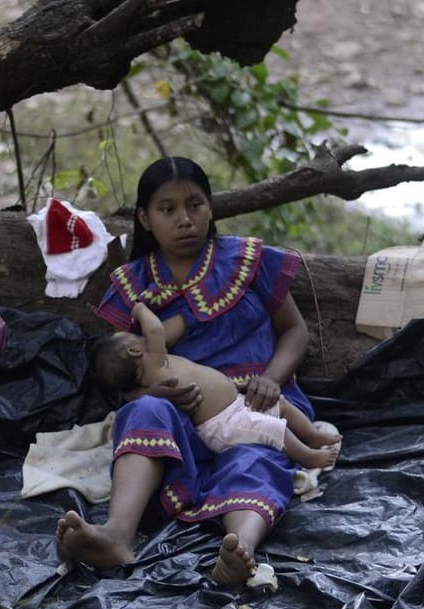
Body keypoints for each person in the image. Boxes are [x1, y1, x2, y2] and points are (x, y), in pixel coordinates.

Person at [56, 156, 320, 586]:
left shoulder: (246, 259)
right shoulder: (131, 286)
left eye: (195, 205)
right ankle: (117, 535)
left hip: (257, 402)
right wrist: (148, 397)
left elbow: (295, 331)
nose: (185, 220)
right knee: (140, 416)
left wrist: (272, 377)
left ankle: (240, 553)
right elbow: (119, 377)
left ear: (211, 207)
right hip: (182, 417)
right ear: (144, 218)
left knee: (254, 455)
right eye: (167, 209)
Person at [92, 301, 341, 470]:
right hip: (223, 425)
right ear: (135, 349)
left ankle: (311, 434)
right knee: (273, 428)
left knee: (280, 404)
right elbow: (156, 330)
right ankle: (309, 458)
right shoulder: (156, 362)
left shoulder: (149, 380)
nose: (140, 334)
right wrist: (139, 310)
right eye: (133, 336)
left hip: (235, 408)